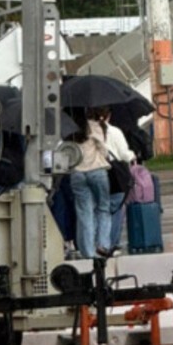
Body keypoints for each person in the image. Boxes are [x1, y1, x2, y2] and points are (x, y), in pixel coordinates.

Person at [70, 108, 113, 258]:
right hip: (97, 171)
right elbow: (103, 150)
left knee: (84, 213)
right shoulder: (93, 126)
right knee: (103, 209)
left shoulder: (68, 130)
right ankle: (102, 246)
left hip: (77, 174)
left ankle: (88, 252)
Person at [98, 107, 136, 254]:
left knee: (98, 210)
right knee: (116, 211)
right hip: (114, 176)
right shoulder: (114, 132)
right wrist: (132, 156)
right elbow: (124, 154)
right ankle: (111, 244)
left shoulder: (87, 132)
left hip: (95, 172)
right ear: (109, 116)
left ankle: (97, 244)